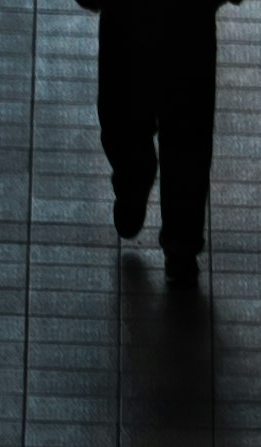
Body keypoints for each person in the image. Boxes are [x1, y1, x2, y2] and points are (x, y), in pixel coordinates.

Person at [80, 0, 235, 297]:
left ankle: (132, 182)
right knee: (188, 135)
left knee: (123, 115)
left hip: (126, 14)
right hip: (190, 18)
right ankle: (181, 244)